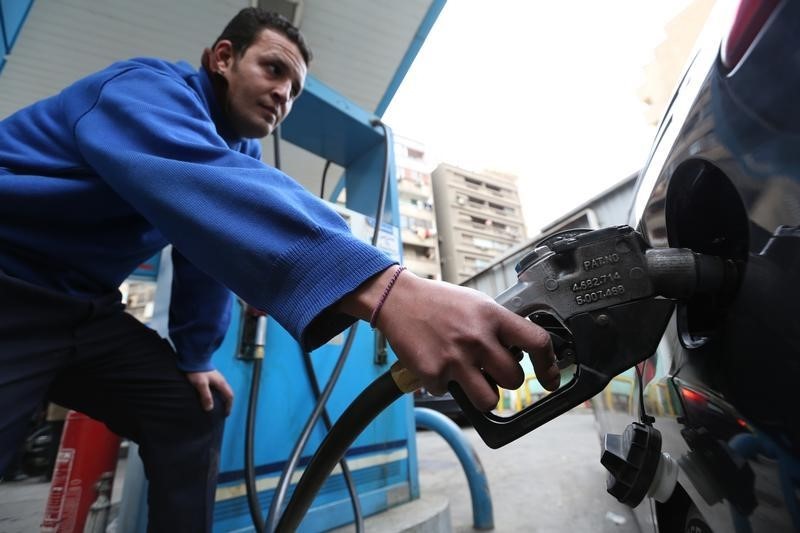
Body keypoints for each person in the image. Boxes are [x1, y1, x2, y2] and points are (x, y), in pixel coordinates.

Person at [0, 8, 559, 531]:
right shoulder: (143, 89)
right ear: (222, 58)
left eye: (293, 90)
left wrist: (195, 358)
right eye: (273, 70)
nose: (282, 95)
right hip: (11, 283)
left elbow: (203, 258)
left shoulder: (239, 155)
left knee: (193, 409)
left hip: (83, 307)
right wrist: (389, 289)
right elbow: (208, 183)